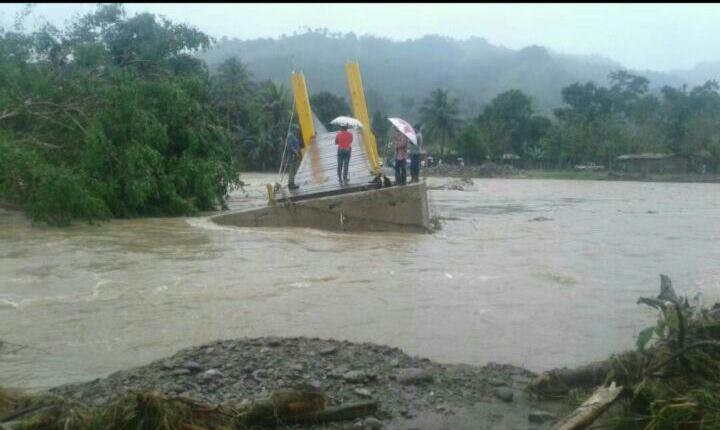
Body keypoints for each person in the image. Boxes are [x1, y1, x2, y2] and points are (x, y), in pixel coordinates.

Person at [285, 125, 303, 190]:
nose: (297, 131)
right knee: (292, 170)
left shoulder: (294, 136)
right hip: (293, 156)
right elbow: (289, 146)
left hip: (295, 156)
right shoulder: (290, 136)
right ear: (293, 130)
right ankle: (291, 184)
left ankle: (292, 183)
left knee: (294, 170)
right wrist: (295, 152)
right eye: (296, 129)